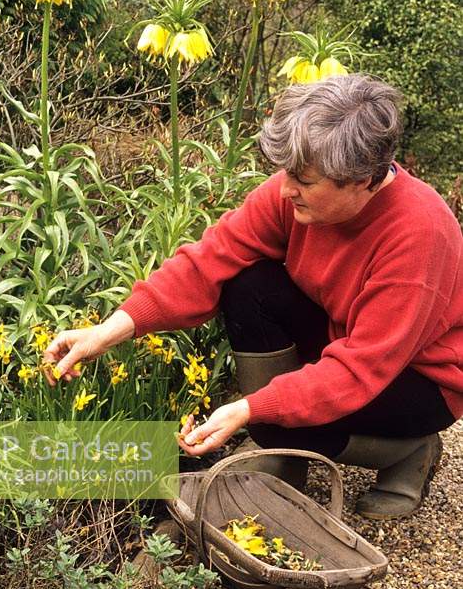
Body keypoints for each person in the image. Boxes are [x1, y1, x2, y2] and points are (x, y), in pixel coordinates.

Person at [44, 74, 462, 520]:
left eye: (303, 180)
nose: (285, 190)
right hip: (344, 337)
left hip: (419, 379)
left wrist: (253, 409)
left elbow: (362, 367)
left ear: (362, 179)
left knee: (275, 418)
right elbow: (207, 261)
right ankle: (284, 451)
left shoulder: (419, 234)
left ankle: (406, 452)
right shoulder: (298, 195)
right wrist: (110, 330)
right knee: (247, 283)